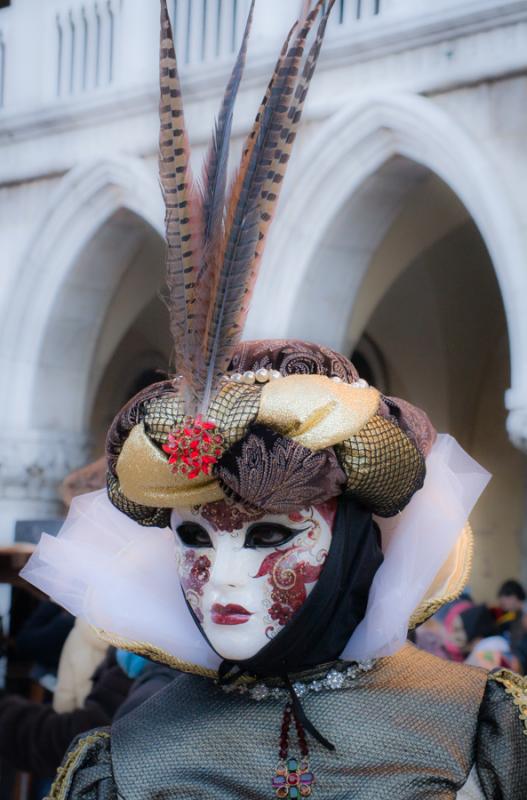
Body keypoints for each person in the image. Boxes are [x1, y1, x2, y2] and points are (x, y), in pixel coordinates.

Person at [21, 1, 527, 797]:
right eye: (194, 537)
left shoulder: (472, 728)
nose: (221, 581)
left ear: (356, 540)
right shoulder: (133, 753)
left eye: (266, 537)